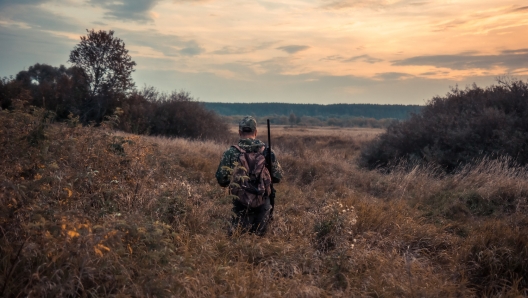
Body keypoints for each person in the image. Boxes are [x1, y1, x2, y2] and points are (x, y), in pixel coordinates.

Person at [216, 116, 283, 236]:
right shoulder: (267, 152)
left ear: (240, 132)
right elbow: (278, 177)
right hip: (263, 203)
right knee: (260, 243)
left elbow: (222, 180)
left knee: (238, 240)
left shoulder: (231, 152)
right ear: (256, 132)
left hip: (240, 204)